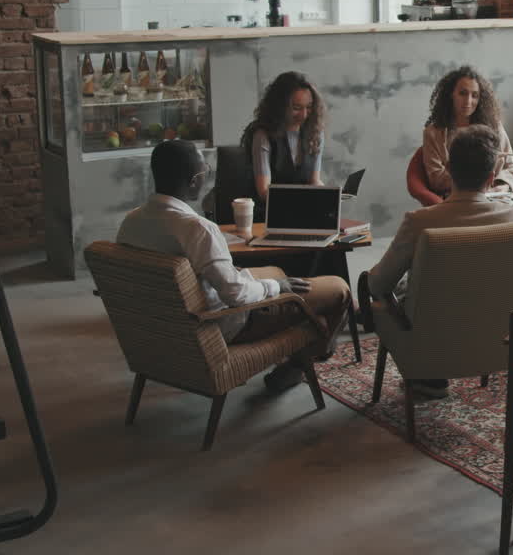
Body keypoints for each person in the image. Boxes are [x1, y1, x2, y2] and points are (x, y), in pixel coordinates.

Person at [117, 140, 350, 392]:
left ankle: (301, 352)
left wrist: (270, 282)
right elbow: (235, 295)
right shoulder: (197, 228)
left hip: (166, 325)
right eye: (205, 170)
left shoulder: (131, 221)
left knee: (277, 272)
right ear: (194, 180)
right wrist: (275, 287)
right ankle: (301, 360)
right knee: (339, 290)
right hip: (220, 324)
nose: (206, 175)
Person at [367, 124, 513, 398]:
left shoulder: (420, 221)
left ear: (449, 170)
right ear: (491, 178)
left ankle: (428, 375)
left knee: (389, 293)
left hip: (435, 335)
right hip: (495, 333)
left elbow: (379, 284)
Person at [421, 66, 513, 196]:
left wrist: (503, 186)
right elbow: (436, 178)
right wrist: (476, 184)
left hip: (497, 194)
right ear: (451, 94)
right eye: (463, 93)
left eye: (475, 95)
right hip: (458, 197)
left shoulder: (494, 125)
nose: (468, 101)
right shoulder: (432, 133)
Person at [240, 71, 327, 210]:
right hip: (269, 213)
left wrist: (329, 196)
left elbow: (314, 181)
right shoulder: (263, 135)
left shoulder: (315, 133)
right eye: (296, 108)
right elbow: (264, 192)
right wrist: (303, 199)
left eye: (309, 107)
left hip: (303, 211)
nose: (304, 115)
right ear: (279, 107)